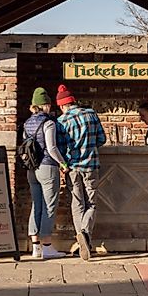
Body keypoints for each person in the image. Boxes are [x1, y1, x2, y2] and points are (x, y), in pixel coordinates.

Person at [55, 84, 106, 261]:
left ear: (62, 105)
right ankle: (85, 234)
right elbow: (102, 139)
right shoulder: (91, 114)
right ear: (74, 101)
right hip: (91, 165)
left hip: (72, 167)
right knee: (92, 203)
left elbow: (60, 148)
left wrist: (65, 163)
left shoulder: (61, 122)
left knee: (77, 204)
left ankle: (80, 236)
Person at [23, 87, 67, 260]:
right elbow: (52, 148)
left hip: (31, 169)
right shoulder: (48, 123)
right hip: (47, 167)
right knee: (49, 206)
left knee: (36, 205)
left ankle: (36, 247)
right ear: (45, 105)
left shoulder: (27, 123)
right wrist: (63, 163)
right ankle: (47, 246)